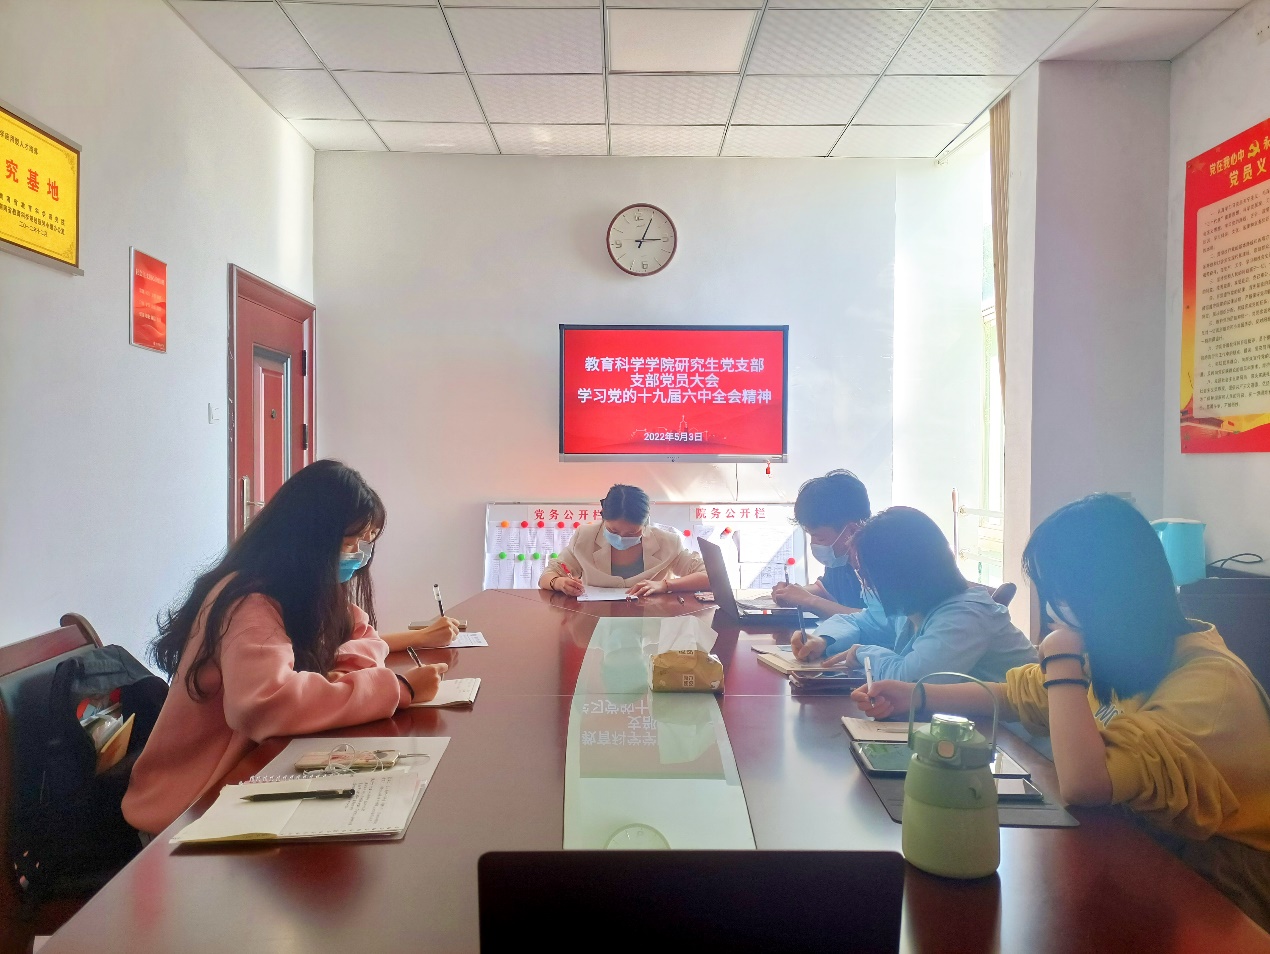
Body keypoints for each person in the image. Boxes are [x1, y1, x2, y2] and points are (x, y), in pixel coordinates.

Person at [853, 495, 1270, 929]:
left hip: (1223, 882)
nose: (1050, 611)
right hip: (1138, 841)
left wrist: (1062, 661)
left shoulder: (1208, 684)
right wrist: (915, 697)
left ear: (1106, 591)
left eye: (1058, 595)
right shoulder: (1128, 649)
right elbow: (1017, 695)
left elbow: (1086, 784)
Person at [123, 460, 451, 835]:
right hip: (190, 806)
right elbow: (265, 706)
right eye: (348, 544)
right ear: (309, 539)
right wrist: (400, 688)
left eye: (364, 544)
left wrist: (346, 676)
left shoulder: (304, 590)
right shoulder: (249, 602)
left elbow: (362, 635)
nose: (357, 555)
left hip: (248, 774)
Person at [793, 507, 1035, 684]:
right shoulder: (916, 606)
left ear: (900, 576)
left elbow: (912, 681)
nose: (867, 585)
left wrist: (862, 653)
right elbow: (861, 622)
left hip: (1014, 737)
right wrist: (823, 639)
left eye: (868, 576)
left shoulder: (965, 616)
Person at [540, 484, 709, 597]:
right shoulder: (584, 537)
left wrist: (665, 585)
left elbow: (710, 576)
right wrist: (559, 582)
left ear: (645, 524)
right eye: (613, 531)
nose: (621, 538)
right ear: (603, 518)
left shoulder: (668, 542)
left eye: (632, 533)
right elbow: (547, 575)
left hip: (651, 622)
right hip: (595, 620)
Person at [770, 470, 871, 618]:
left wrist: (809, 601)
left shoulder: (880, 562)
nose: (814, 544)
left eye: (821, 538)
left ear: (851, 530)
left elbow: (878, 622)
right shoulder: (840, 558)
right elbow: (826, 590)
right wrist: (790, 593)